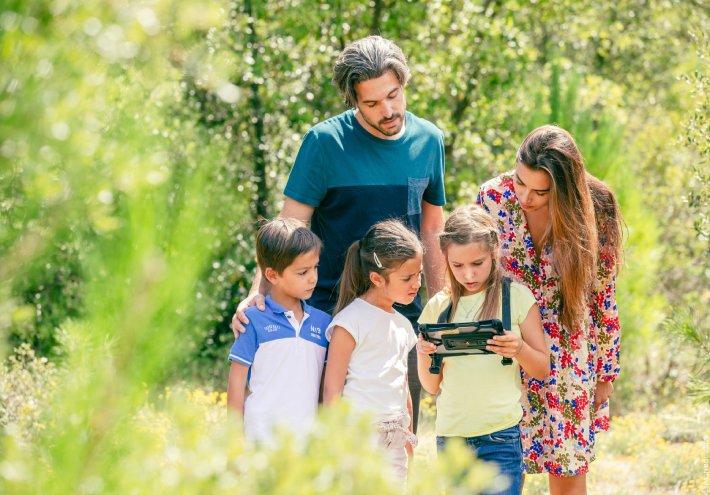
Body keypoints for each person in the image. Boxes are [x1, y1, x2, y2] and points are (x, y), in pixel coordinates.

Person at [231, 35, 447, 433]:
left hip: (403, 313)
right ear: (353, 101)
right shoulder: (324, 143)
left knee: (397, 434)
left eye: (394, 96)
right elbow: (291, 226)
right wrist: (258, 292)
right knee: (326, 434)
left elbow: (432, 229)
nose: (387, 110)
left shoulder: (429, 140)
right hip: (332, 313)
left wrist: (441, 307)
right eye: (371, 103)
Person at [477, 125, 623, 495]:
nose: (525, 197)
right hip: (509, 346)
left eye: (541, 191)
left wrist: (606, 371)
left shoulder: (597, 206)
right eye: (521, 182)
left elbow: (603, 294)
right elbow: (473, 275)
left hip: (569, 349)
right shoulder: (492, 198)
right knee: (502, 470)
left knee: (569, 469)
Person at [416, 205, 549, 495]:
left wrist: (519, 349)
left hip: (500, 438)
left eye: (477, 263)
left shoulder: (515, 296)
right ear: (446, 260)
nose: (468, 274)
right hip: (452, 439)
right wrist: (424, 353)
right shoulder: (437, 308)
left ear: (494, 253)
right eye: (458, 266)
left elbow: (542, 368)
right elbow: (431, 386)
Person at [322, 220, 422, 480]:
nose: (417, 283)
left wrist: (409, 437)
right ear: (377, 278)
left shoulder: (403, 325)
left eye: (419, 274)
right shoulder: (350, 321)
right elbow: (332, 389)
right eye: (407, 278)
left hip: (395, 437)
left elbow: (402, 386)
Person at [226, 218, 331, 444]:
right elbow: (236, 385)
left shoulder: (324, 324)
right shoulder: (252, 320)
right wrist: (233, 443)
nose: (313, 278)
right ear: (272, 275)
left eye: (315, 268)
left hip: (306, 446)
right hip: (260, 442)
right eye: (303, 272)